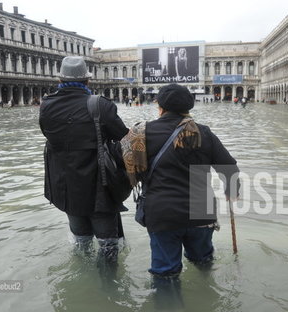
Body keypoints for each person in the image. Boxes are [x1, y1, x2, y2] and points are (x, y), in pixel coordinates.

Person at [121, 84, 239, 288]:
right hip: (202, 210)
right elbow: (229, 168)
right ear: (188, 107)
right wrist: (231, 191)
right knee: (203, 261)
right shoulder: (203, 133)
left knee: (165, 273)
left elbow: (125, 168)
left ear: (160, 106)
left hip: (162, 212)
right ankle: (205, 295)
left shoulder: (140, 133)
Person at [39, 56, 128, 264]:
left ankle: (82, 282)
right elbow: (123, 138)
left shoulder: (46, 106)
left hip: (66, 188)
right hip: (100, 188)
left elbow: (49, 135)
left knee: (81, 243)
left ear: (60, 80)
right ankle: (107, 291)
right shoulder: (100, 105)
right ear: (87, 81)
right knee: (108, 245)